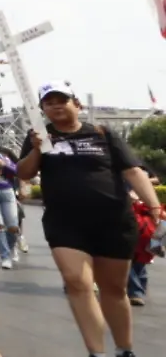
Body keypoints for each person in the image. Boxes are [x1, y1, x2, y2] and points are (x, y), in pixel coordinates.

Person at [17, 81, 160, 357]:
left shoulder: (102, 133)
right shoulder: (39, 136)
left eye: (62, 100)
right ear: (42, 109)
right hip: (65, 223)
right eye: (49, 102)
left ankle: (124, 348)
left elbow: (133, 172)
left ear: (77, 104)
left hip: (113, 221)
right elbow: (24, 173)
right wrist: (35, 148)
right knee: (76, 282)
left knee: (114, 289)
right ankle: (96, 352)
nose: (56, 105)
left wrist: (155, 209)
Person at [0, 149, 22, 270]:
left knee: (13, 226)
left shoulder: (6, 158)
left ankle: (12, 246)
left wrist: (4, 164)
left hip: (7, 192)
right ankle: (5, 257)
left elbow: (17, 171)